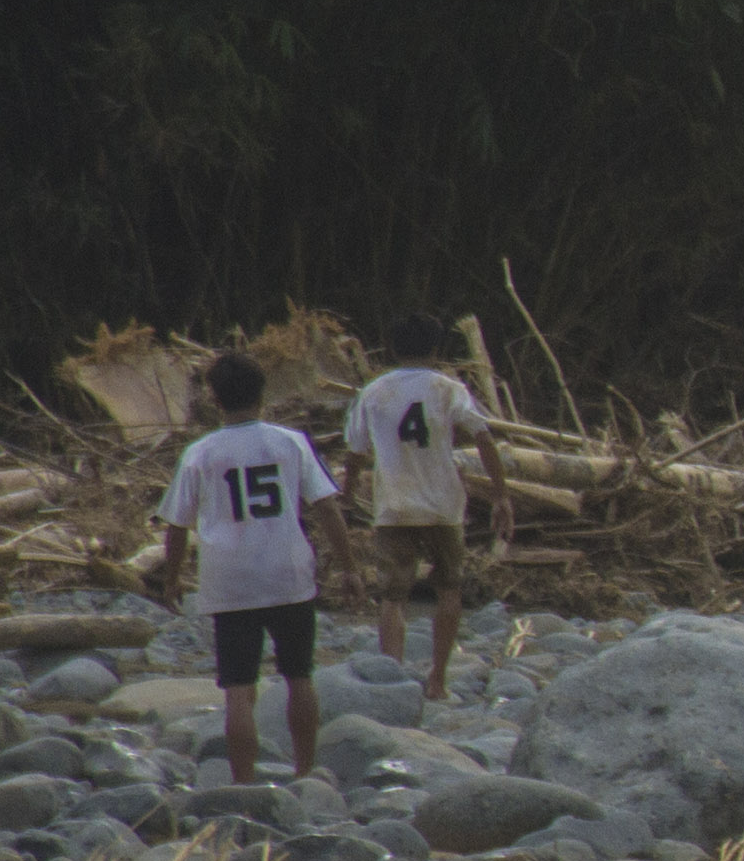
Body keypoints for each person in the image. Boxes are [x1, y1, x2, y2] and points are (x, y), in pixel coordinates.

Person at [152, 349, 361, 787]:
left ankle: (243, 783)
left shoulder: (200, 452)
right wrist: (349, 566)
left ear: (214, 398)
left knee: (238, 689)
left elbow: (176, 525)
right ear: (263, 393)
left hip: (229, 581)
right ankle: (304, 771)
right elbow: (327, 510)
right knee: (299, 675)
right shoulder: (290, 443)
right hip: (288, 574)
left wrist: (171, 578)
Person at [338, 314, 512, 702]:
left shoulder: (374, 392)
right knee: (449, 589)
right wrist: (501, 495)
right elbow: (483, 437)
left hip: (393, 505)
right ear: (436, 349)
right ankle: (438, 680)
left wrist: (347, 499)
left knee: (392, 595)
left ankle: (394, 679)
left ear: (392, 347)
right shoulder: (447, 389)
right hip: (443, 505)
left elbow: (354, 455)